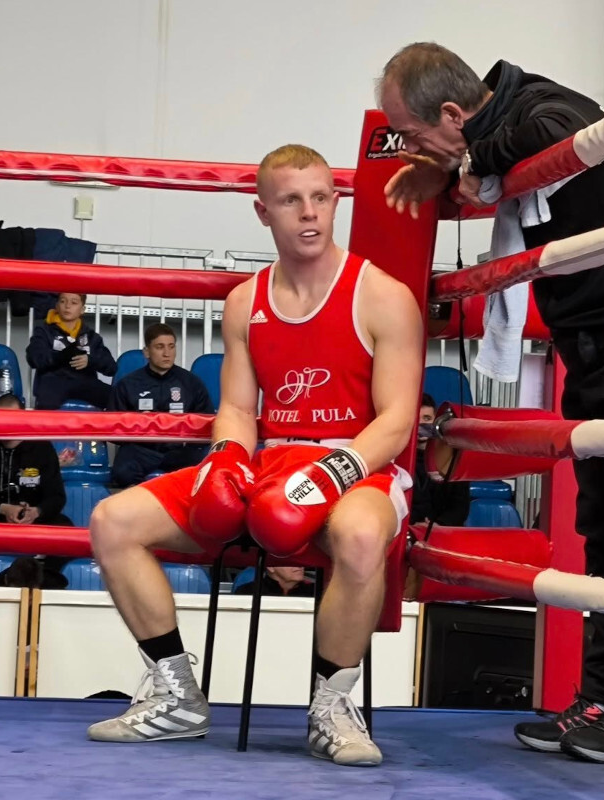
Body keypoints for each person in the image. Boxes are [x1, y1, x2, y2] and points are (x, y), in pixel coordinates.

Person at [378, 43, 604, 760]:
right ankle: (598, 697)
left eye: (410, 132)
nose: (407, 146)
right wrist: (444, 168)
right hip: (595, 340)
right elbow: (499, 163)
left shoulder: (539, 105)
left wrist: (465, 162)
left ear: (450, 113)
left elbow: (558, 132)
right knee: (601, 522)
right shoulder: (502, 122)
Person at [86, 143, 422, 767]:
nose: (310, 213)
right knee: (112, 521)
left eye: (322, 197)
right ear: (263, 211)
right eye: (292, 200)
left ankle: (332, 706)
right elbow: (240, 408)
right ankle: (176, 694)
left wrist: (333, 472)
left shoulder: (382, 296)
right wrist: (225, 457)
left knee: (356, 536)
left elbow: (397, 420)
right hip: (270, 462)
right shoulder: (246, 301)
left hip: (362, 466)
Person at [107, 323, 213, 486]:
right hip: (141, 451)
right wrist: (137, 424)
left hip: (180, 451)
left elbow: (207, 422)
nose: (167, 353)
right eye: (159, 347)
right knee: (122, 473)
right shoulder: (128, 384)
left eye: (171, 347)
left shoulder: (191, 383)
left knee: (205, 474)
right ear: (147, 352)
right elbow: (112, 427)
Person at [0, 393, 72, 526]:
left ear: (22, 418)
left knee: (63, 525)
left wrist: (36, 512)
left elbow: (56, 497)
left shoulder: (42, 447)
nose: (3, 425)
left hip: (32, 518)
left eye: (10, 419)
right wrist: (5, 509)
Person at [26, 292, 116, 410]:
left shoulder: (91, 336)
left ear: (82, 309)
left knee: (117, 396)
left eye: (74, 302)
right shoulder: (44, 331)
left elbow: (111, 367)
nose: (67, 306)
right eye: (63, 301)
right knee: (46, 401)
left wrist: (90, 361)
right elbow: (34, 358)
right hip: (53, 382)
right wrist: (60, 357)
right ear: (57, 306)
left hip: (85, 383)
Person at [410, 393, 471, 526]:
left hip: (444, 532)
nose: (421, 424)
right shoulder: (398, 459)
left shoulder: (453, 458)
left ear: (435, 421)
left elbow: (460, 507)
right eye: (416, 418)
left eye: (427, 418)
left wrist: (437, 525)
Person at [233, 566, 316, 597]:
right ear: (270, 567)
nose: (300, 566)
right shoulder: (248, 591)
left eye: (301, 561)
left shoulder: (315, 591)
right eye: (290, 562)